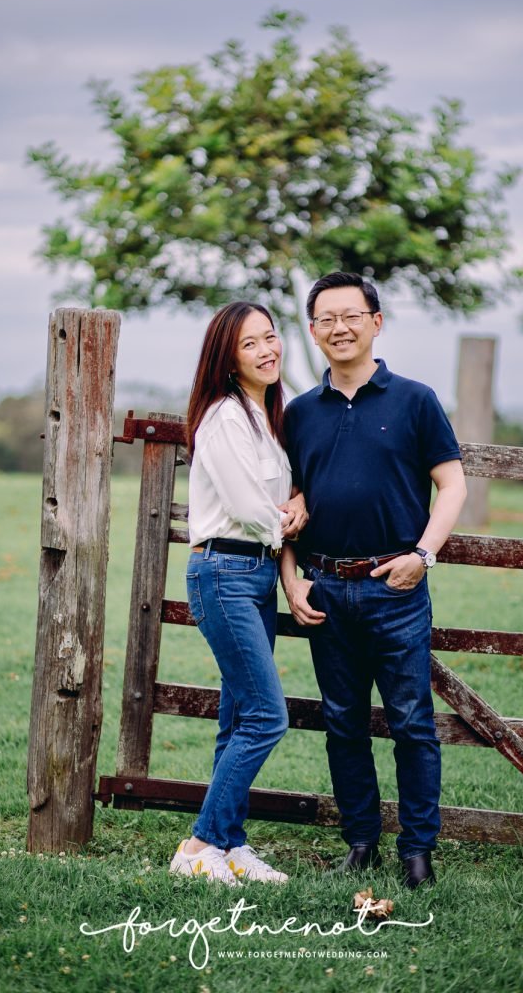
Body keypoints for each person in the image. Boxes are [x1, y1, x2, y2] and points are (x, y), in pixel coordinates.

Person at [281, 271, 467, 889]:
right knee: (343, 721)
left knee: (412, 721)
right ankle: (361, 841)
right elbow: (286, 500)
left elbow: (452, 484)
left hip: (397, 588)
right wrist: (291, 577)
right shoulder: (300, 412)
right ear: (312, 330)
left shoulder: (415, 400)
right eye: (326, 319)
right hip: (327, 590)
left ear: (376, 322)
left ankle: (418, 850)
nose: (339, 328)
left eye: (351, 316)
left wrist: (424, 554)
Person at [170, 300, 307, 885]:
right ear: (227, 359)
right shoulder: (225, 417)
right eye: (250, 343)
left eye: (271, 337)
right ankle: (196, 847)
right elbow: (254, 510)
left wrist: (297, 503)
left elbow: (280, 496)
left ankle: (229, 843)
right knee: (266, 717)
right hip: (224, 573)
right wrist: (294, 517)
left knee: (236, 717)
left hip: (252, 575)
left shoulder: (264, 419)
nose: (267, 350)